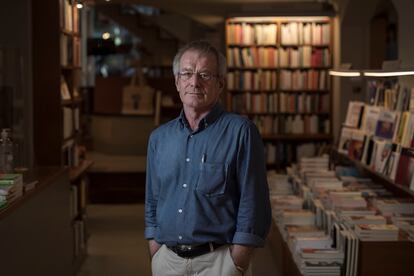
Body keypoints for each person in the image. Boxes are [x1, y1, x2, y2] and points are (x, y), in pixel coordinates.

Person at [145, 40, 271, 276]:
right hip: (167, 261)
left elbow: (254, 201)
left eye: (205, 74)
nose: (194, 82)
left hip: (219, 262)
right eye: (187, 73)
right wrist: (154, 247)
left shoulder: (241, 131)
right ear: (177, 81)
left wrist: (238, 261)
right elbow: (153, 199)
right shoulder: (159, 138)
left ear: (220, 83)